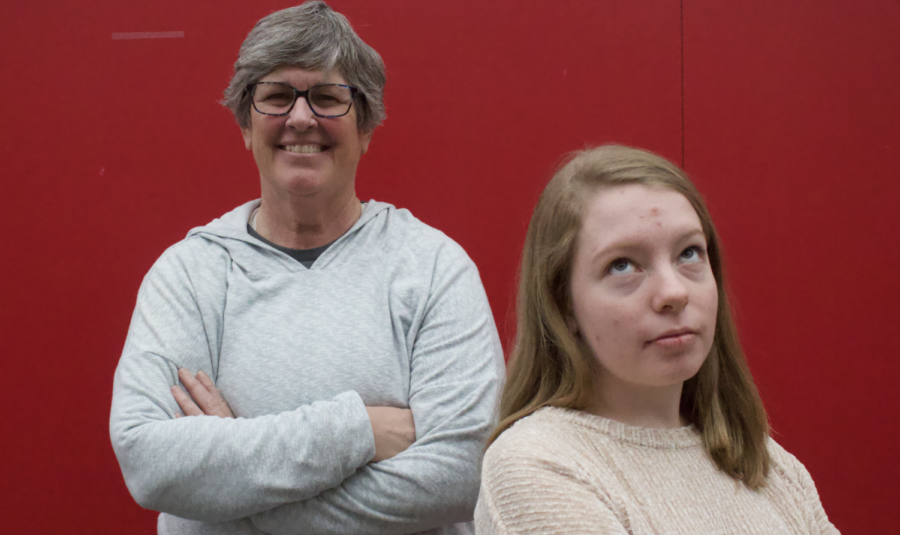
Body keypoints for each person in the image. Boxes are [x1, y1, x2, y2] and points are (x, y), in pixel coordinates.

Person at [109, 3, 504, 534]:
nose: (301, 118)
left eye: (327, 97)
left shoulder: (434, 268)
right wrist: (357, 429)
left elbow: (463, 474)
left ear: (365, 128)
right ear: (246, 127)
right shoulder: (189, 275)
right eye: (276, 97)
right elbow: (149, 460)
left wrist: (235, 483)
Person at [474, 145, 839, 534]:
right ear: (563, 304)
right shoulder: (538, 463)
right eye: (622, 265)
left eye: (689, 253)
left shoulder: (769, 464)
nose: (674, 291)